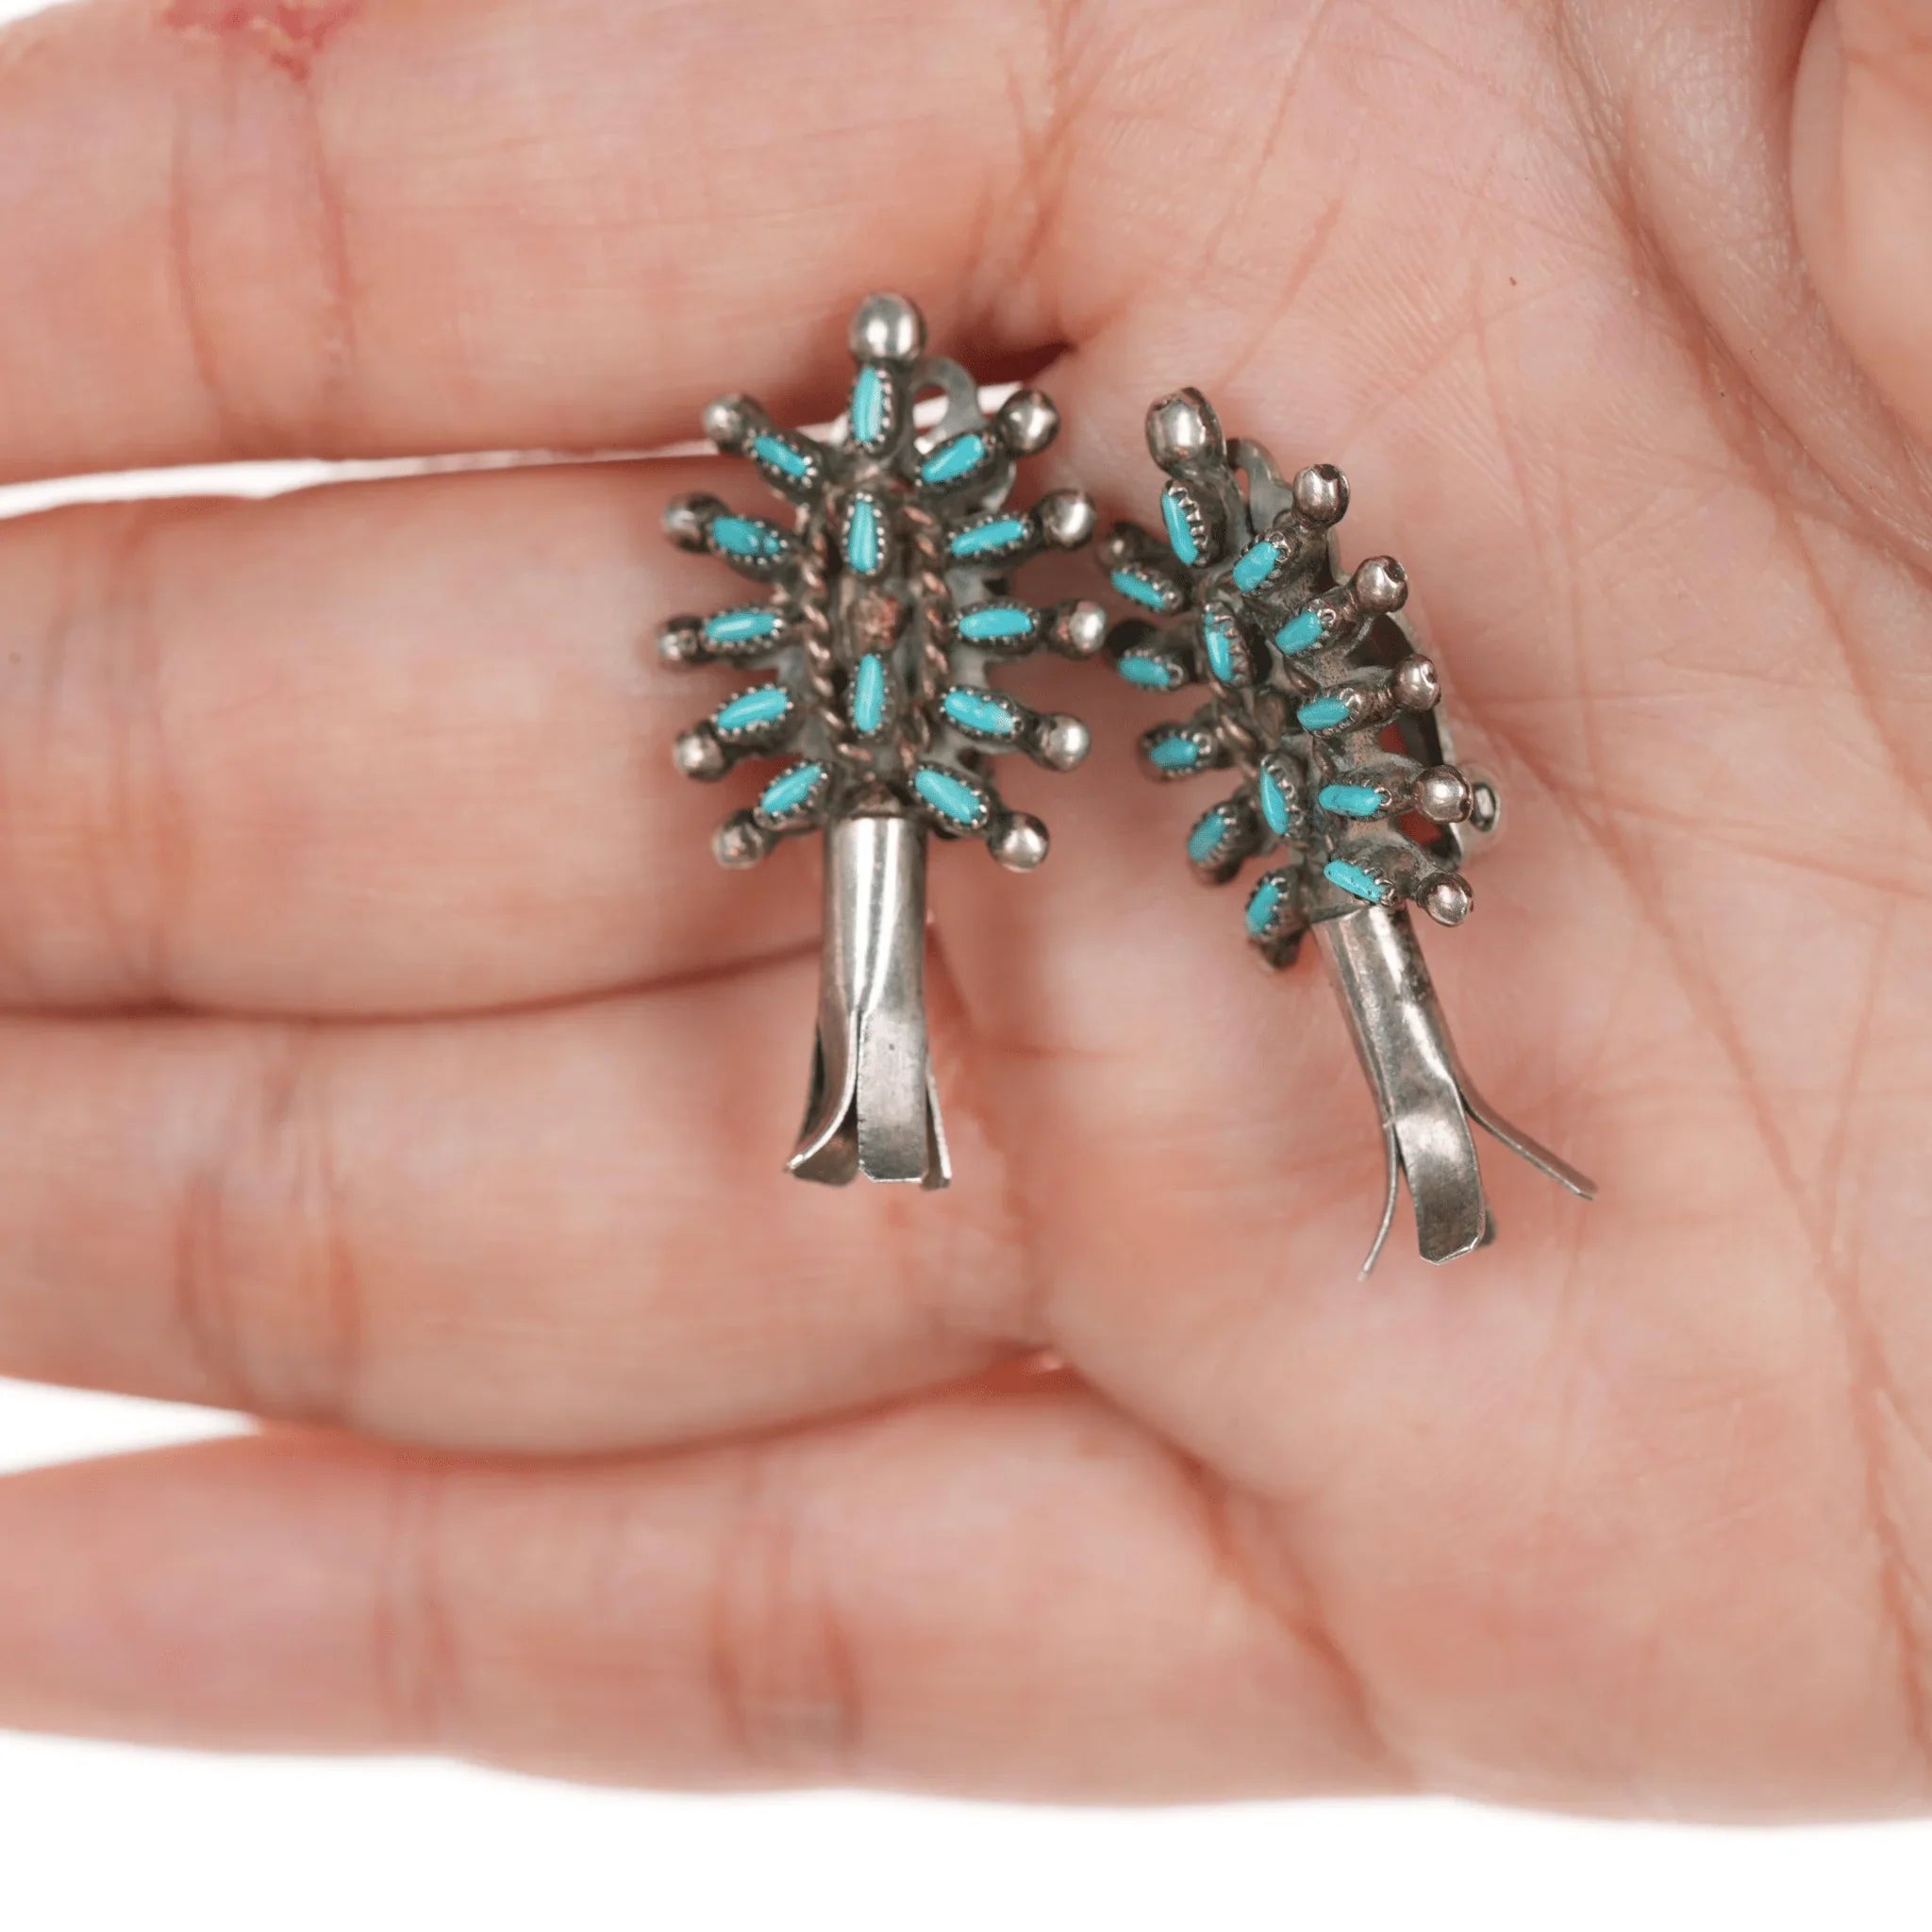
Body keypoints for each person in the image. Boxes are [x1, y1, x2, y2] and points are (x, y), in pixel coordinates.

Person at [0, 0, 1924, 1817]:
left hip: (1178, 783)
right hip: (949, 753)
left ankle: (1276, 1124)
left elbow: (1316, 672)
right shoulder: (1033, 569)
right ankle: (953, 1104)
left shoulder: (1196, 600)